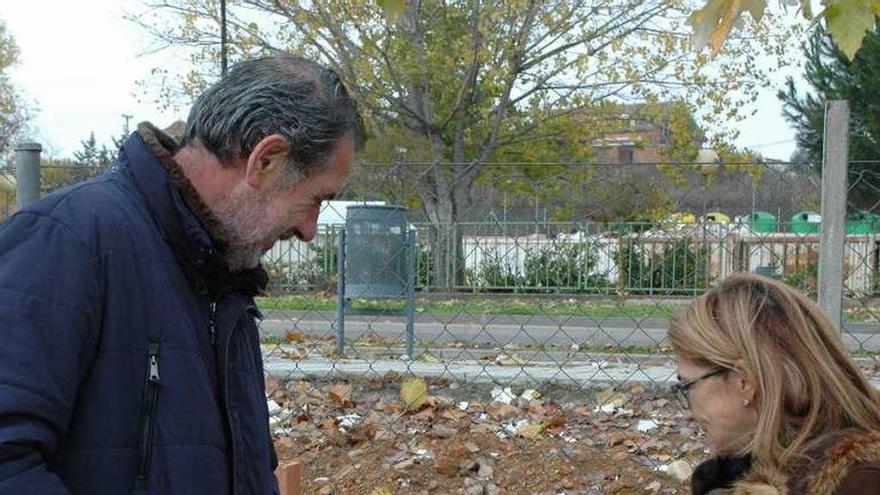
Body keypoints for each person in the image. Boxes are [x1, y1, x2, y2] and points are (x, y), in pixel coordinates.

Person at [0, 55, 364, 494]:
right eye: (316, 199)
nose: (309, 230)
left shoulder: (223, 276)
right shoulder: (70, 241)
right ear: (265, 160)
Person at [669, 273, 880, 494]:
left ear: (744, 381)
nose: (687, 414)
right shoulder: (789, 467)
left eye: (687, 387)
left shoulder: (862, 482)